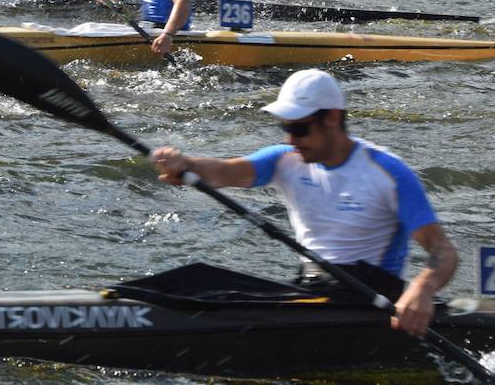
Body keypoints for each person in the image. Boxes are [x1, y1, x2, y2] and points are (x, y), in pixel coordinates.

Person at [149, 68, 457, 337]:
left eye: (299, 128)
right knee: (199, 281)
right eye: (285, 127)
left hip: (369, 300)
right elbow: (222, 172)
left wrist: (422, 289)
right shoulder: (285, 161)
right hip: (312, 291)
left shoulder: (388, 172)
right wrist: (184, 163)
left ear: (332, 119)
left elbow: (443, 253)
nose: (290, 139)